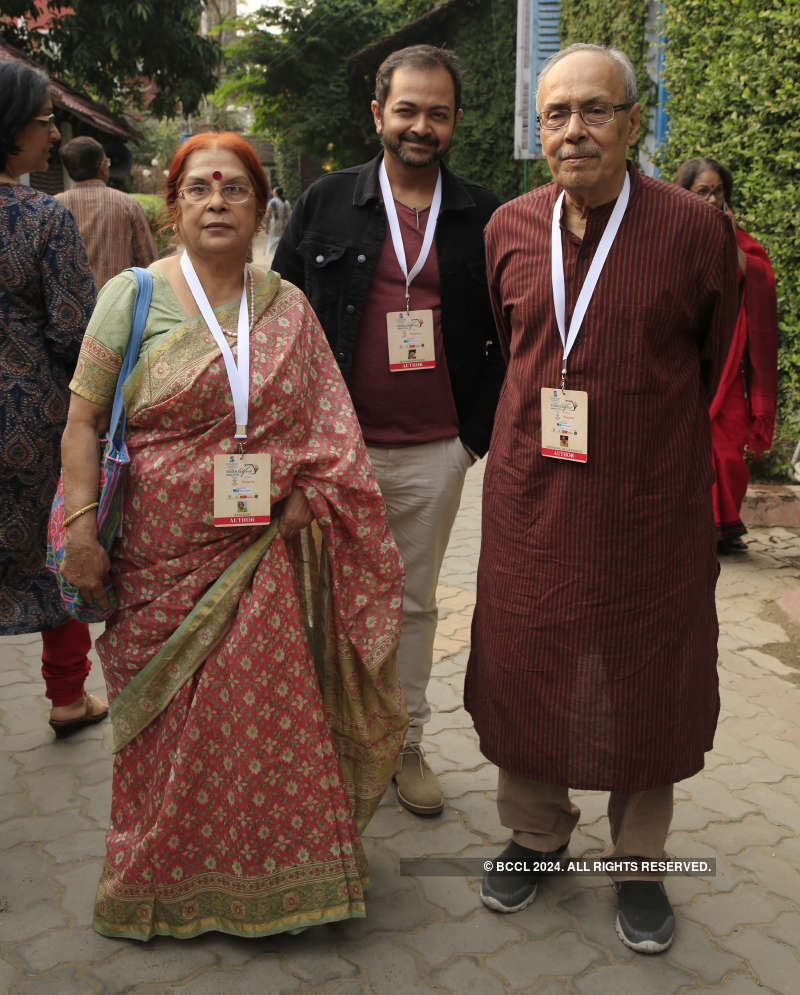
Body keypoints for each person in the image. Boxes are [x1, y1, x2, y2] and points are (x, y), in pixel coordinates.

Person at [59, 131, 407, 940]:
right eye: (200, 189)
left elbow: (332, 429)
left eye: (235, 189)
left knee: (263, 726)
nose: (217, 201)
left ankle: (275, 879)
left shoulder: (287, 304)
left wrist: (302, 499)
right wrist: (82, 529)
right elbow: (80, 421)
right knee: (165, 729)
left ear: (260, 206)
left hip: (260, 557)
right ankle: (156, 878)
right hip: (154, 561)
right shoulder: (134, 295)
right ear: (173, 205)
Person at [465, 44, 738, 954]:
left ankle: (640, 863)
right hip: (530, 495)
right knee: (527, 655)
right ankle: (537, 835)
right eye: (555, 114)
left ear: (633, 121)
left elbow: (714, 358)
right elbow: (507, 350)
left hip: (650, 499)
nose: (573, 130)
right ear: (537, 129)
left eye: (593, 110)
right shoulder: (508, 226)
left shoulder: (696, 228)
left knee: (647, 670)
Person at [273, 45, 504, 817]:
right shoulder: (326, 202)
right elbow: (281, 318)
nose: (421, 126)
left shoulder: (485, 214)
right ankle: (326, 744)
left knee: (412, 604)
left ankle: (404, 743)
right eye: (406, 110)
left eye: (437, 113)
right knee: (327, 599)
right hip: (339, 451)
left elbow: (511, 332)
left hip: (436, 449)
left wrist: (471, 437)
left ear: (455, 122)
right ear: (378, 114)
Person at [0, 59, 105, 736]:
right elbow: (77, 331)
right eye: (43, 121)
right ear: (11, 130)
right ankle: (68, 698)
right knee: (50, 547)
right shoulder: (42, 218)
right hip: (31, 419)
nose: (52, 133)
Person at [674, 157, 779, 555]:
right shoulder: (671, 235)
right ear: (684, 193)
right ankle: (692, 526)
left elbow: (759, 279)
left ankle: (724, 527)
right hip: (684, 360)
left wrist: (730, 240)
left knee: (728, 449)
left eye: (717, 191)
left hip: (729, 365)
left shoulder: (742, 241)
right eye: (702, 191)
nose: (712, 198)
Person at [57, 135, 157, 289]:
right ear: (101, 166)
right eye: (106, 162)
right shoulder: (127, 204)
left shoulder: (53, 206)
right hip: (118, 305)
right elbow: (150, 265)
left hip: (69, 308)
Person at [265, 184, 290, 258]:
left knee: (273, 240)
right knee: (282, 240)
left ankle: (271, 256)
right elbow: (289, 215)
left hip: (275, 223)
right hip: (284, 223)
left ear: (276, 193)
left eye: (274, 191)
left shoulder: (273, 202)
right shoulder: (286, 202)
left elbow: (268, 215)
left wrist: (267, 226)